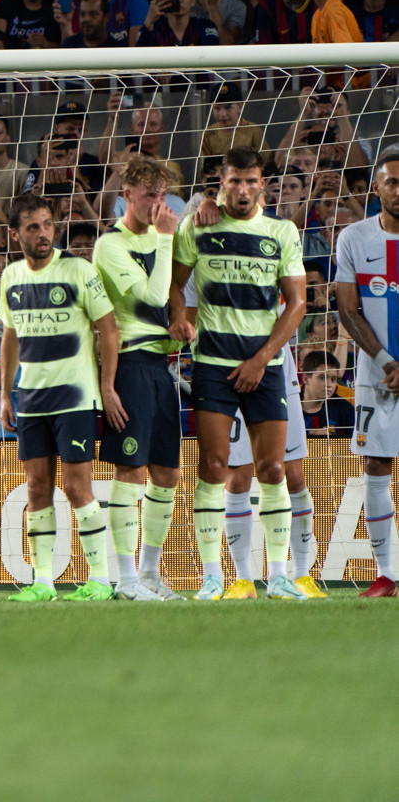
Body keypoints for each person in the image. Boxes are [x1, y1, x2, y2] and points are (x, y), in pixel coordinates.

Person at [168, 146, 308, 601]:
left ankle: (280, 575)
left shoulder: (281, 232)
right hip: (212, 363)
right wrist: (179, 320)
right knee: (213, 468)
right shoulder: (198, 226)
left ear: (262, 184)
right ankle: (213, 576)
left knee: (272, 468)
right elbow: (176, 283)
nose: (243, 190)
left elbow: (298, 304)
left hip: (263, 365)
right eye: (234, 181)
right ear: (221, 183)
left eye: (251, 181)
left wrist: (262, 358)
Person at [0, 192, 126, 603]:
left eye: (47, 224)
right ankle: (42, 582)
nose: (42, 233)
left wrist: (107, 386)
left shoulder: (77, 269)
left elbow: (109, 329)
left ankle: (101, 580)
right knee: (37, 488)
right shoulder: (11, 277)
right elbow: (10, 337)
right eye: (32, 226)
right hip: (31, 400)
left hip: (75, 398)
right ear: (15, 233)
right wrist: (5, 395)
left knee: (76, 487)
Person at [90, 156, 184, 601]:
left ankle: (149, 573)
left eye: (162, 195)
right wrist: (166, 240)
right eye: (149, 195)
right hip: (129, 365)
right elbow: (152, 295)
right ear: (126, 195)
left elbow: (175, 299)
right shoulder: (110, 245)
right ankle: (124, 578)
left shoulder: (164, 237)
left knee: (166, 472)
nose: (157, 204)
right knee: (131, 470)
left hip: (162, 368)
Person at [333, 150, 399, 597]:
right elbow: (348, 310)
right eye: (392, 182)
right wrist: (386, 362)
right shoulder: (353, 238)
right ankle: (388, 574)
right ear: (376, 187)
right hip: (377, 377)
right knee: (376, 465)